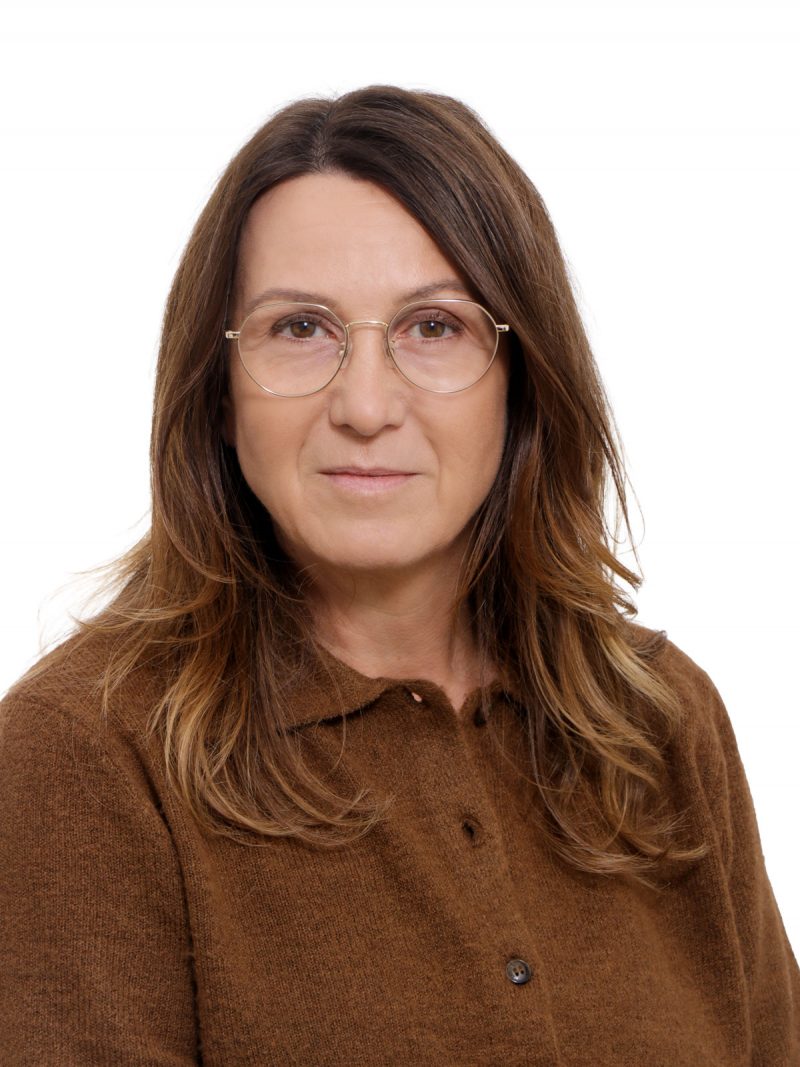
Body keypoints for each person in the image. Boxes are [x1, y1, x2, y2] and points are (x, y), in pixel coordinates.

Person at [0, 85, 797, 1066]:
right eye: (300, 328)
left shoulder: (660, 723)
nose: (367, 405)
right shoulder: (86, 753)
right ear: (220, 393)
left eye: (434, 326)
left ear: (520, 380)